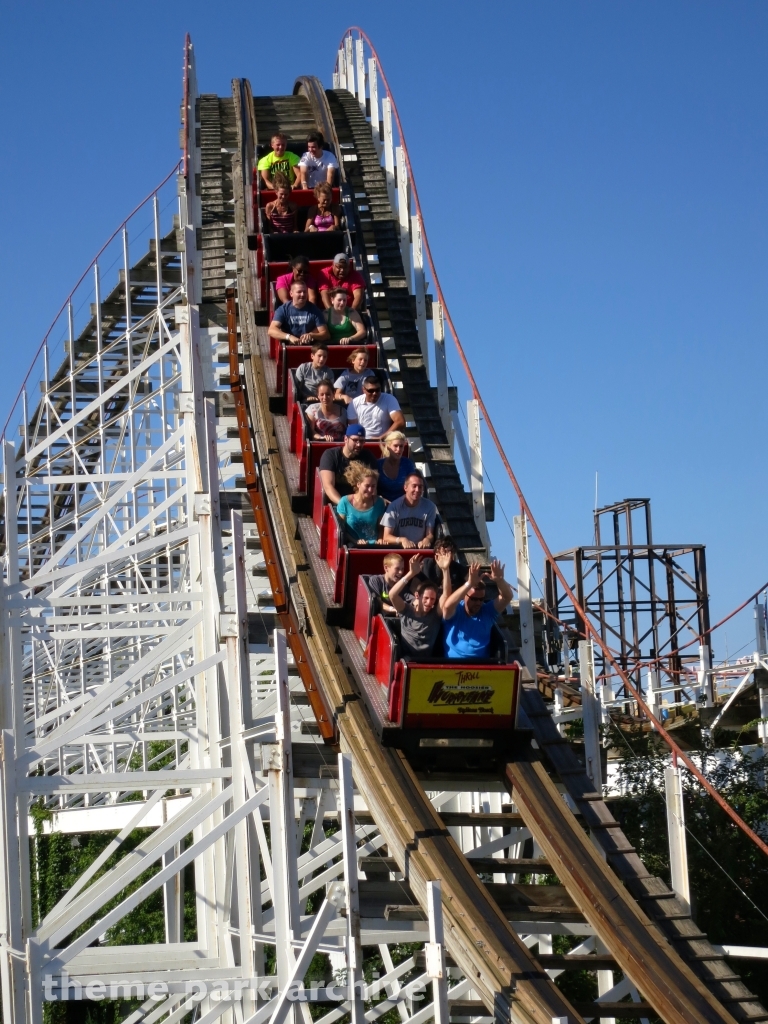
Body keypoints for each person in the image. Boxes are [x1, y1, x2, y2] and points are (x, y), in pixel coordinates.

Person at [442, 560, 514, 659]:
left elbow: (507, 597)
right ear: (464, 596)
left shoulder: (487, 611)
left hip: (480, 665)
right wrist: (469, 584)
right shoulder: (456, 610)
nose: (478, 603)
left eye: (481, 599)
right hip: (454, 664)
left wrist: (500, 580)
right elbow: (447, 607)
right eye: (474, 599)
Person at [387, 552, 454, 659]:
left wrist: (445, 570)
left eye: (432, 599)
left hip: (427, 661)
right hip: (406, 659)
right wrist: (411, 573)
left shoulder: (435, 615)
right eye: (426, 598)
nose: (429, 602)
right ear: (417, 596)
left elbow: (446, 594)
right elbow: (392, 595)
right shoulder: (406, 610)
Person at [318, 424, 377, 504]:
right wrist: (344, 505)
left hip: (361, 503)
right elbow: (328, 486)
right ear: (346, 439)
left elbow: (373, 486)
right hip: (338, 503)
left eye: (362, 441)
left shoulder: (368, 456)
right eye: (355, 440)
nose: (359, 444)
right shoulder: (330, 455)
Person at [381, 473, 437, 549]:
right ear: (405, 487)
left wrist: (427, 540)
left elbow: (430, 534)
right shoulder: (394, 507)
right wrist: (402, 540)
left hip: (420, 549)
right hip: (399, 550)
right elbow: (386, 537)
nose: (417, 490)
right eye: (414, 486)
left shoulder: (430, 507)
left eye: (420, 487)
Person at [336, 464, 387, 547]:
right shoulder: (345, 502)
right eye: (367, 486)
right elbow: (341, 529)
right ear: (358, 484)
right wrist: (355, 541)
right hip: (352, 546)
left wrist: (380, 539)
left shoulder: (379, 502)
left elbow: (381, 527)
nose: (370, 490)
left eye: (373, 486)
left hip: (374, 546)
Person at [268, 281, 329, 346]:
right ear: (291, 294)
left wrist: (311, 335)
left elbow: (326, 334)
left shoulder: (314, 310)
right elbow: (271, 330)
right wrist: (289, 337)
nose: (302, 294)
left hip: (310, 346)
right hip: (289, 346)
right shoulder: (283, 309)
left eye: (304, 292)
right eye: (299, 292)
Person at [348, 375, 405, 440]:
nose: (374, 393)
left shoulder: (389, 399)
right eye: (371, 390)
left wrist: (381, 438)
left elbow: (400, 422)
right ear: (363, 390)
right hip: (362, 441)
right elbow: (353, 428)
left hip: (384, 440)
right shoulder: (355, 403)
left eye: (377, 390)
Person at [377, 431, 417, 503]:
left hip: (403, 504)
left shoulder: (407, 464)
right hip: (382, 505)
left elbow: (413, 486)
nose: (398, 449)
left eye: (401, 446)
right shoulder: (378, 464)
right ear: (388, 447)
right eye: (395, 446)